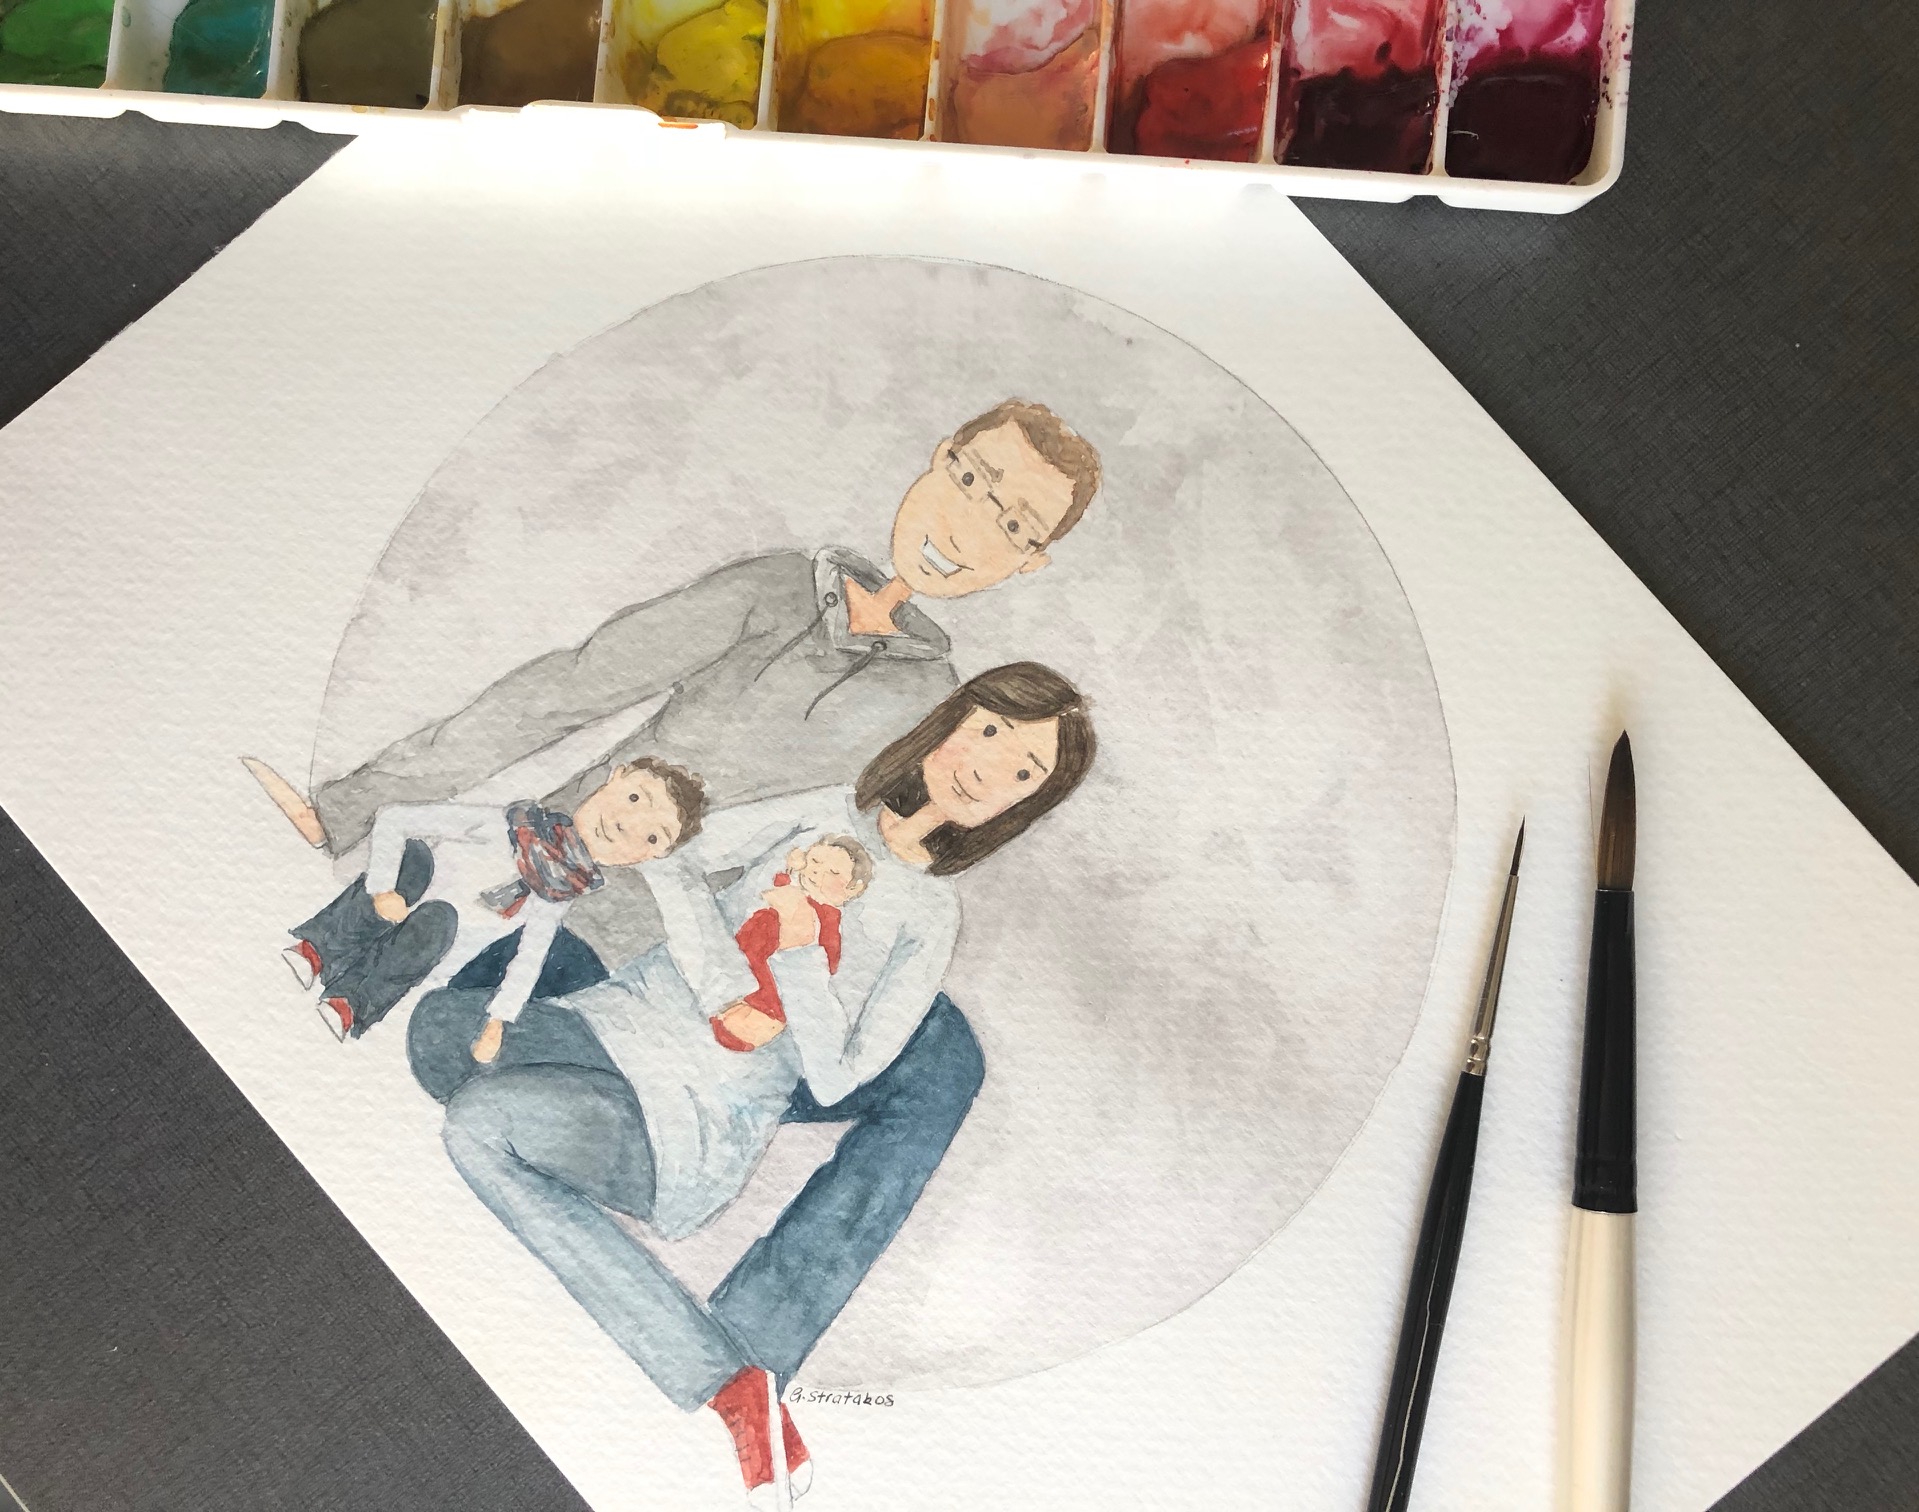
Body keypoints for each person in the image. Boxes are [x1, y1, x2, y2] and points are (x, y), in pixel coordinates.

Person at [243, 399, 1104, 1396]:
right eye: (971, 482)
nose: (967, 525)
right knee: (451, 1045)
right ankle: (615, 1158)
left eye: (1009, 523)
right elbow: (579, 681)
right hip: (597, 908)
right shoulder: (779, 590)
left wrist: (795, 964)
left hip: (736, 976)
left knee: (944, 1055)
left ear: (1027, 561)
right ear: (939, 458)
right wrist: (353, 804)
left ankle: (756, 1343)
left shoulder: (942, 700)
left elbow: (870, 868)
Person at [407, 665, 1096, 1508]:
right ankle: (585, 1189)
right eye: (988, 732)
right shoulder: (821, 812)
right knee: (438, 1030)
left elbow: (839, 1077)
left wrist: (800, 961)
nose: (987, 770)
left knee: (479, 1122)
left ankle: (724, 1382)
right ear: (950, 722)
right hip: (611, 1024)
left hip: (693, 1109)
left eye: (1022, 772)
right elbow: (675, 856)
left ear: (1021, 807)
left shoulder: (926, 916)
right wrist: (704, 953)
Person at [280, 758, 705, 1043]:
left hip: (432, 945)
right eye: (634, 799)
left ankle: (351, 1004)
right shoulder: (511, 824)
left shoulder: (558, 895)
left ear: (655, 856)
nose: (626, 825)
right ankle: (317, 950)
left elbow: (529, 957)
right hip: (394, 899)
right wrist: (381, 887)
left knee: (437, 922)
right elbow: (396, 818)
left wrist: (500, 1018)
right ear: (615, 776)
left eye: (653, 836)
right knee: (415, 861)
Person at [710, 836, 873, 1052]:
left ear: (852, 889)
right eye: (815, 861)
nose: (817, 871)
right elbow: (781, 885)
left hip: (766, 987)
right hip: (748, 967)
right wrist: (790, 868)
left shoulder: (827, 916)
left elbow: (827, 961)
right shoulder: (798, 895)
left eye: (833, 872)